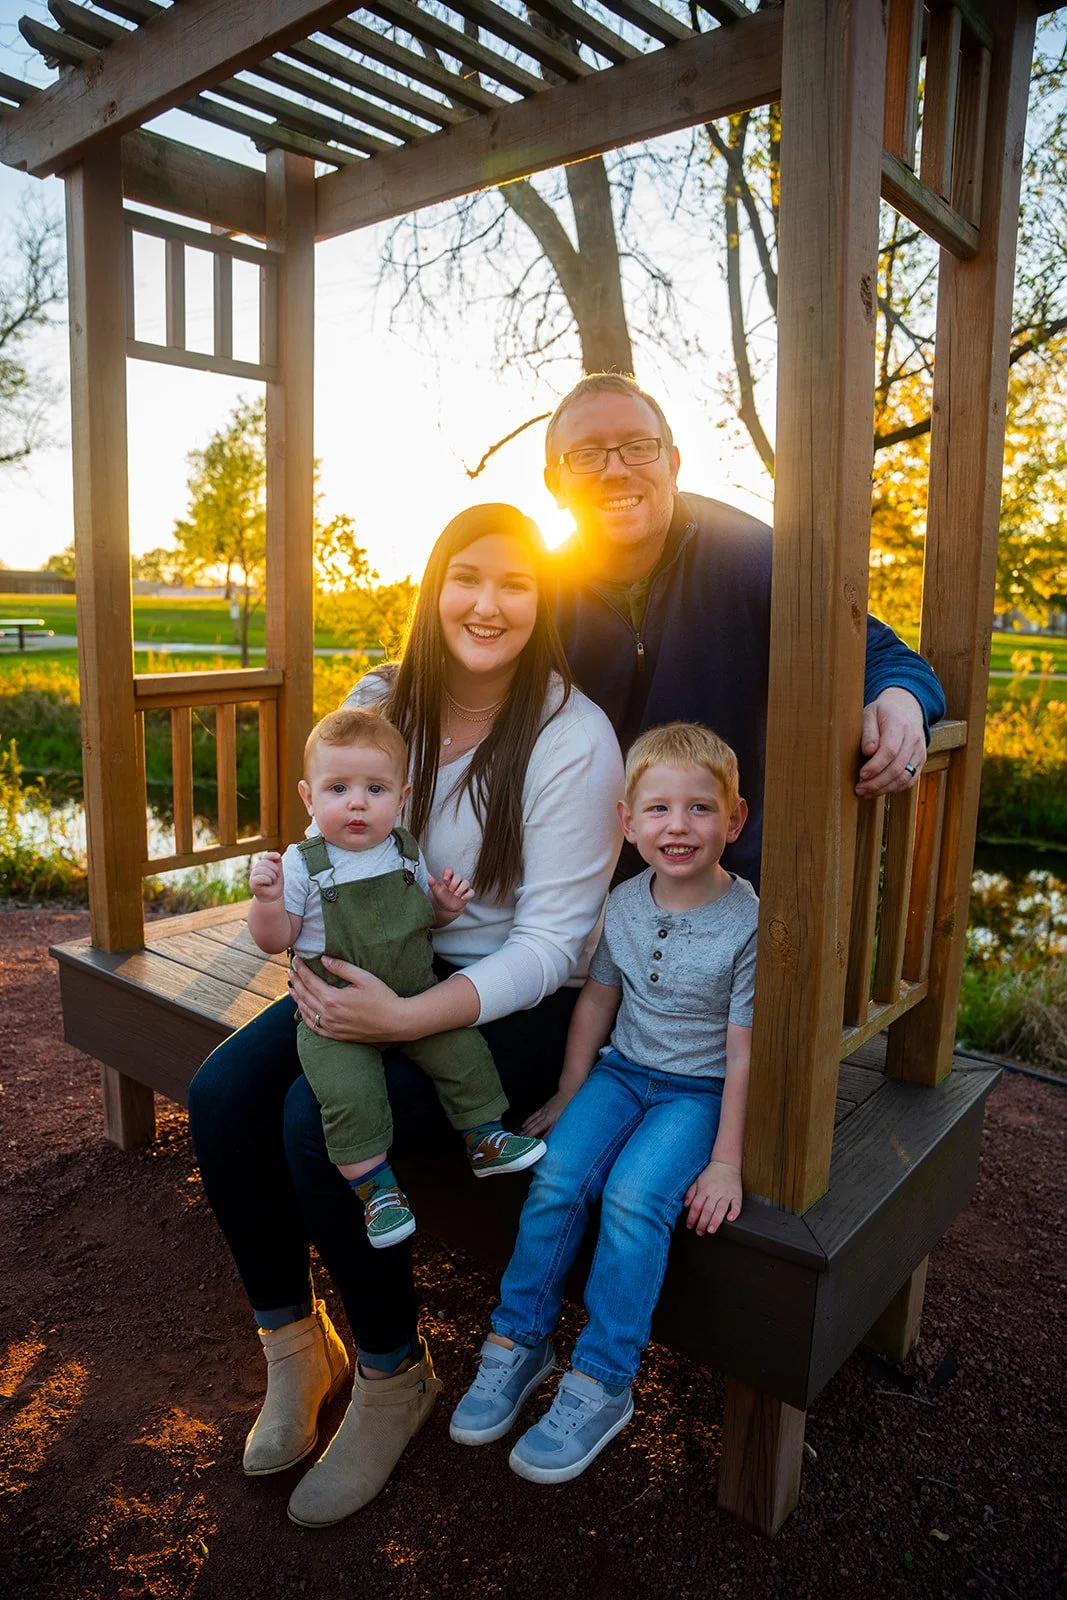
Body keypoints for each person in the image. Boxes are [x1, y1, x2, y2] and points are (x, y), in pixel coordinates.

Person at [188, 504, 623, 1529]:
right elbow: (337, 837)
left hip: (507, 997)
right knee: (222, 1096)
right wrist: (305, 937)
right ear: (433, 587)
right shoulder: (385, 699)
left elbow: (555, 943)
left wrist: (410, 1012)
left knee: (315, 1121)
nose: (486, 603)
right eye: (465, 577)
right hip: (384, 958)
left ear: (542, 597)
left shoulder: (573, 734)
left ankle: (392, 1373)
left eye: (514, 583)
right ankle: (298, 1349)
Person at [450, 722, 757, 1483]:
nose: (676, 827)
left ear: (735, 819)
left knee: (631, 1197)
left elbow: (746, 1049)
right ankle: (519, 1340)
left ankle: (602, 1379)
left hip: (697, 1092)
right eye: (656, 810)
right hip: (622, 1075)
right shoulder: (622, 901)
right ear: (626, 821)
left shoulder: (748, 922)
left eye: (698, 809)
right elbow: (596, 999)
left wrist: (725, 1162)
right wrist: (568, 1088)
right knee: (555, 1177)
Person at [545, 373, 947, 888]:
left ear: (673, 463)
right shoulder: (536, 591)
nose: (616, 469)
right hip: (588, 889)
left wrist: (901, 701)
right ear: (554, 484)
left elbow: (880, 654)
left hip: (735, 894)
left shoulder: (753, 557)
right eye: (587, 454)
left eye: (638, 448)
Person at [247, 706, 547, 1253]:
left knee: (464, 1051)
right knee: (349, 1093)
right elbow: (275, 938)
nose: (357, 802)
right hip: (336, 1016)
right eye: (338, 788)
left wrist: (444, 909)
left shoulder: (404, 848)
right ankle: (376, 1190)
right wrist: (267, 902)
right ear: (308, 798)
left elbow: (415, 920)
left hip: (415, 992)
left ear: (403, 796)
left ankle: (484, 1137)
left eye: (375, 789)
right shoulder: (300, 864)